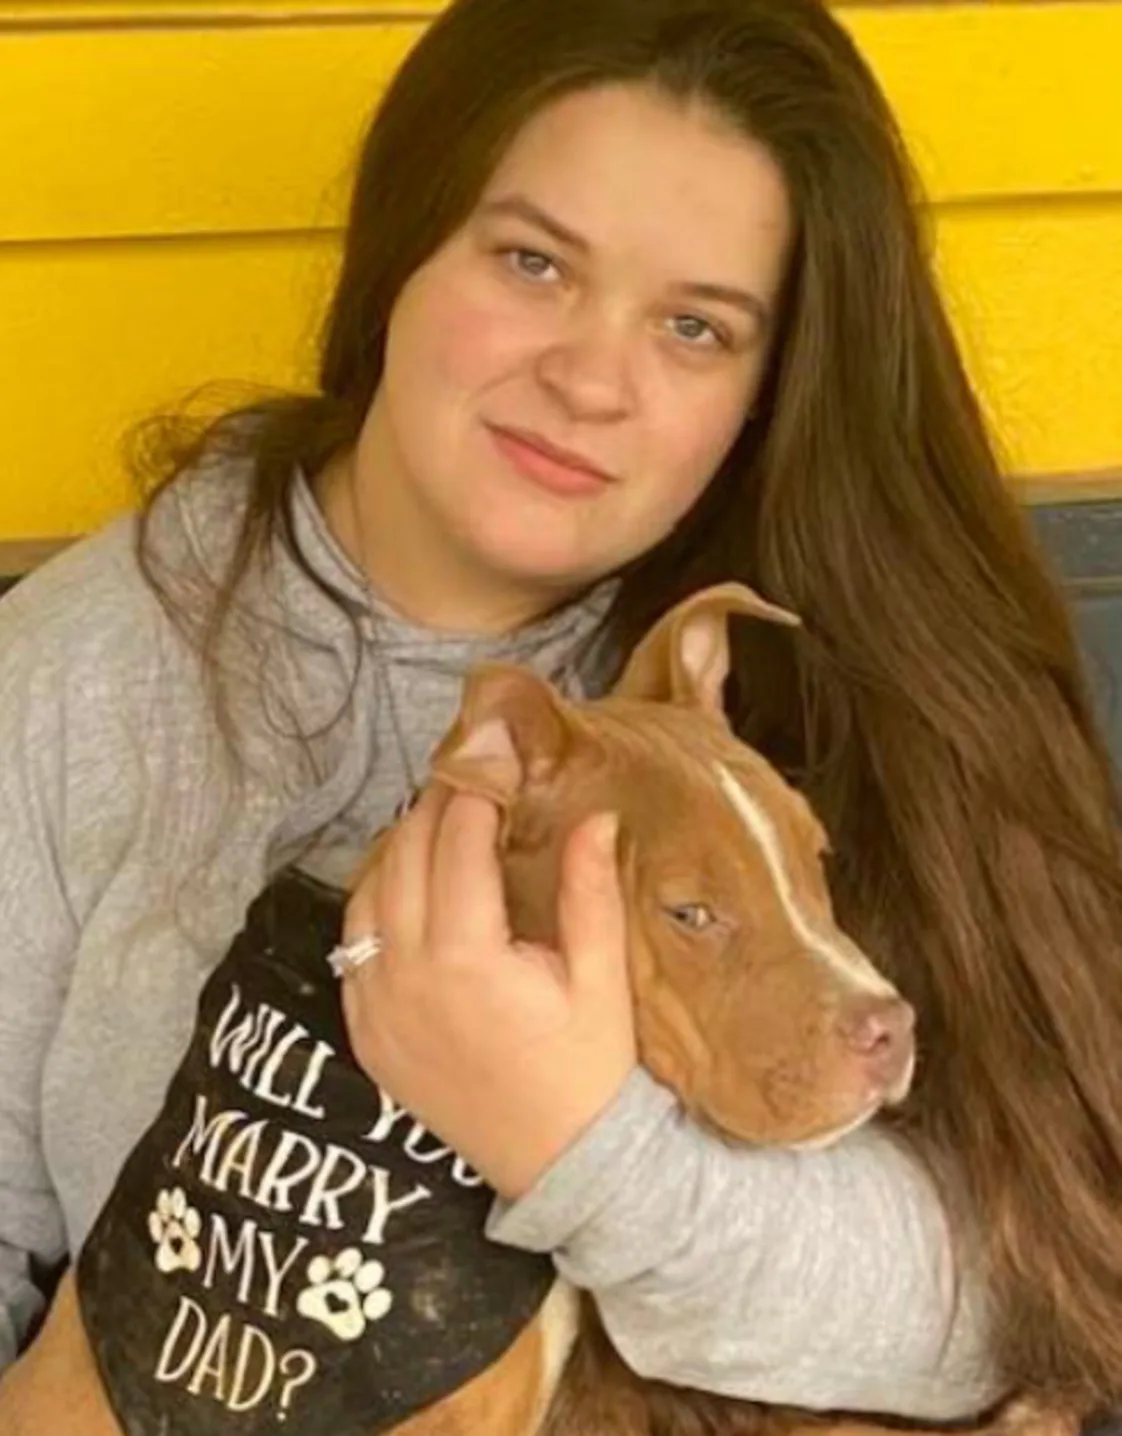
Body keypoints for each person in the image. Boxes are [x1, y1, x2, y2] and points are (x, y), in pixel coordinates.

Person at [2, 0, 1122, 1422]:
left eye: (695, 326)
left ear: (768, 383)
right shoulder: (83, 671)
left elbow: (1027, 1299)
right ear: (402, 247)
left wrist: (575, 1144)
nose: (591, 379)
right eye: (532, 262)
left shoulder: (845, 671)